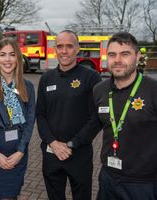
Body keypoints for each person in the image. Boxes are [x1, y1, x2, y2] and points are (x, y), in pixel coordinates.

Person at [93, 32, 157, 200]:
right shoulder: (99, 90)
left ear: (137, 56)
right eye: (112, 54)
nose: (117, 60)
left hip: (143, 183)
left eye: (125, 54)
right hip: (107, 176)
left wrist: (148, 152)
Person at [36, 30, 102, 200]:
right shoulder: (46, 79)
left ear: (77, 49)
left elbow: (95, 119)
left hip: (78, 154)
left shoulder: (92, 77)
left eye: (69, 46)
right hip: (52, 153)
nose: (64, 51)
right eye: (60, 46)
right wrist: (53, 143)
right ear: (54, 50)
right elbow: (41, 115)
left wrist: (72, 144)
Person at [0, 37, 35, 200]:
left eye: (12, 54)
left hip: (18, 150)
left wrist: (21, 151)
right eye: (3, 54)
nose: (7, 59)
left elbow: (30, 121)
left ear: (18, 58)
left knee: (12, 195)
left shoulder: (27, 86)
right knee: (1, 195)